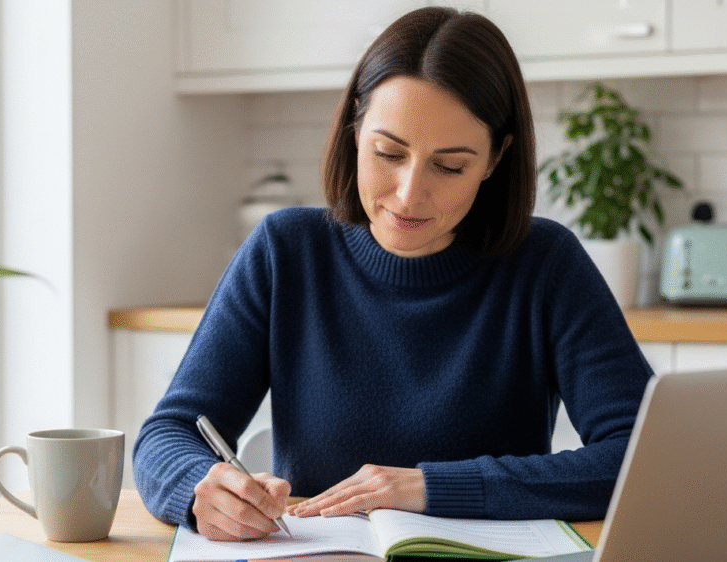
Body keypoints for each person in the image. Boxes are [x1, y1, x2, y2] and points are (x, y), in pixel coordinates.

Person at [133, 6, 652, 542]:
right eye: (388, 152)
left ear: (496, 158)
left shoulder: (545, 263)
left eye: (450, 166)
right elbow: (167, 436)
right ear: (356, 129)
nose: (409, 195)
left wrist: (429, 487)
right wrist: (202, 488)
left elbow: (642, 456)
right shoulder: (286, 251)